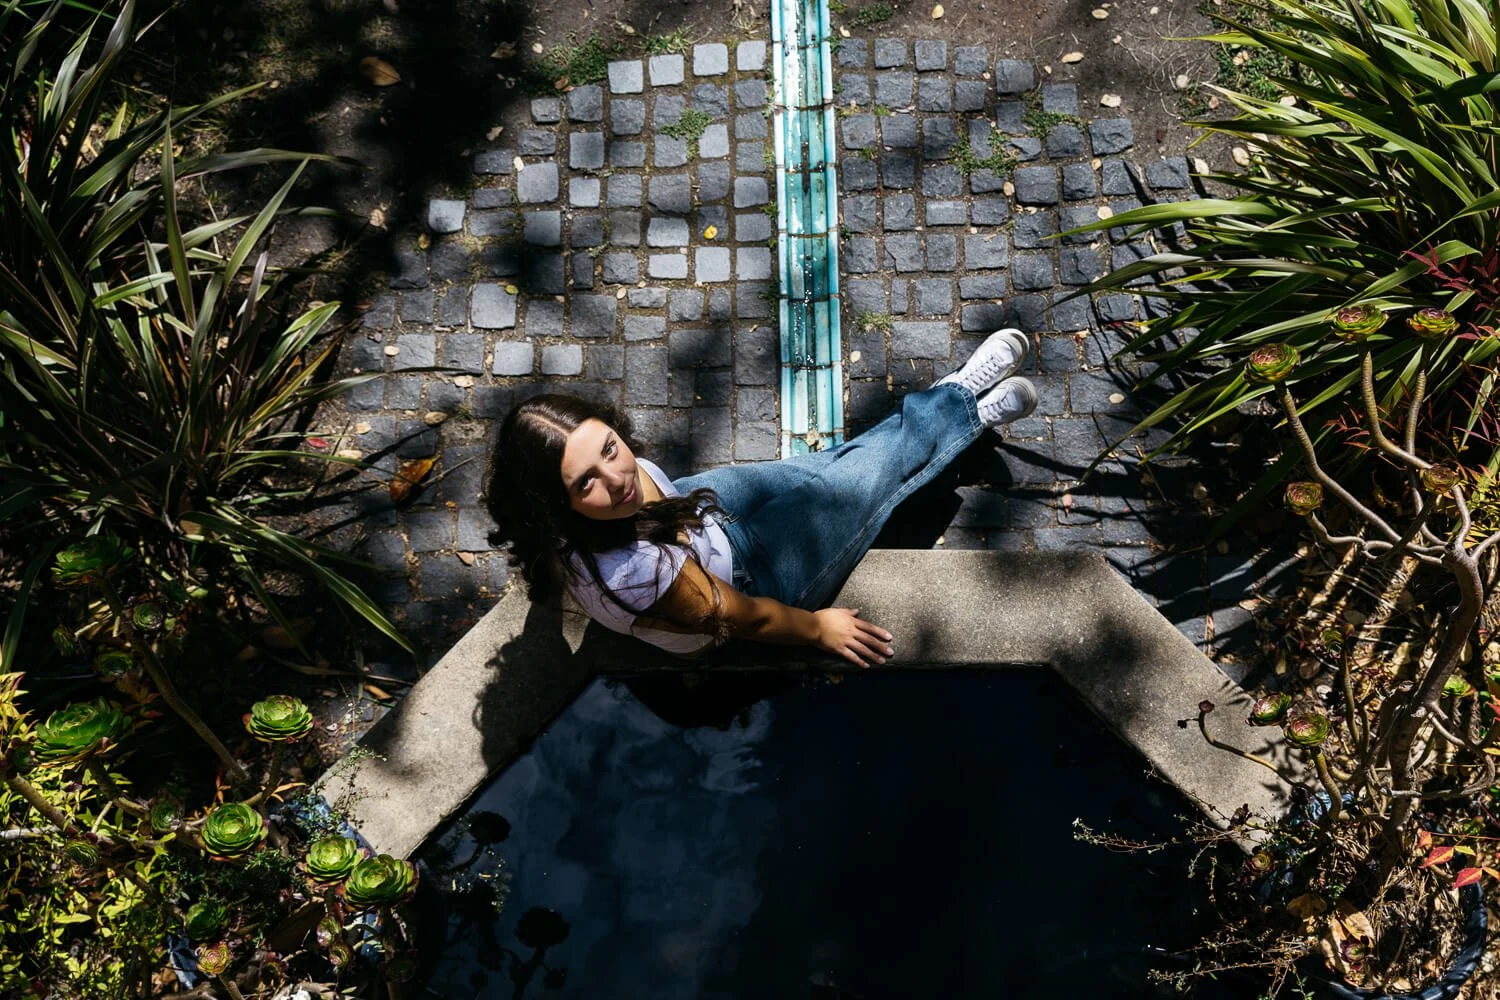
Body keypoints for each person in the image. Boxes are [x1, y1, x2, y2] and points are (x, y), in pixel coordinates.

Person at [485, 329, 1036, 667]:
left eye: (609, 447)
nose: (617, 477)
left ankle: (954, 417)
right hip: (751, 575)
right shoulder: (638, 575)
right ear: (555, 504)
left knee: (834, 469)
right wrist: (818, 628)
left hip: (700, 514)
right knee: (862, 481)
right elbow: (745, 619)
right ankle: (964, 400)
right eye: (585, 482)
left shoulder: (560, 526)